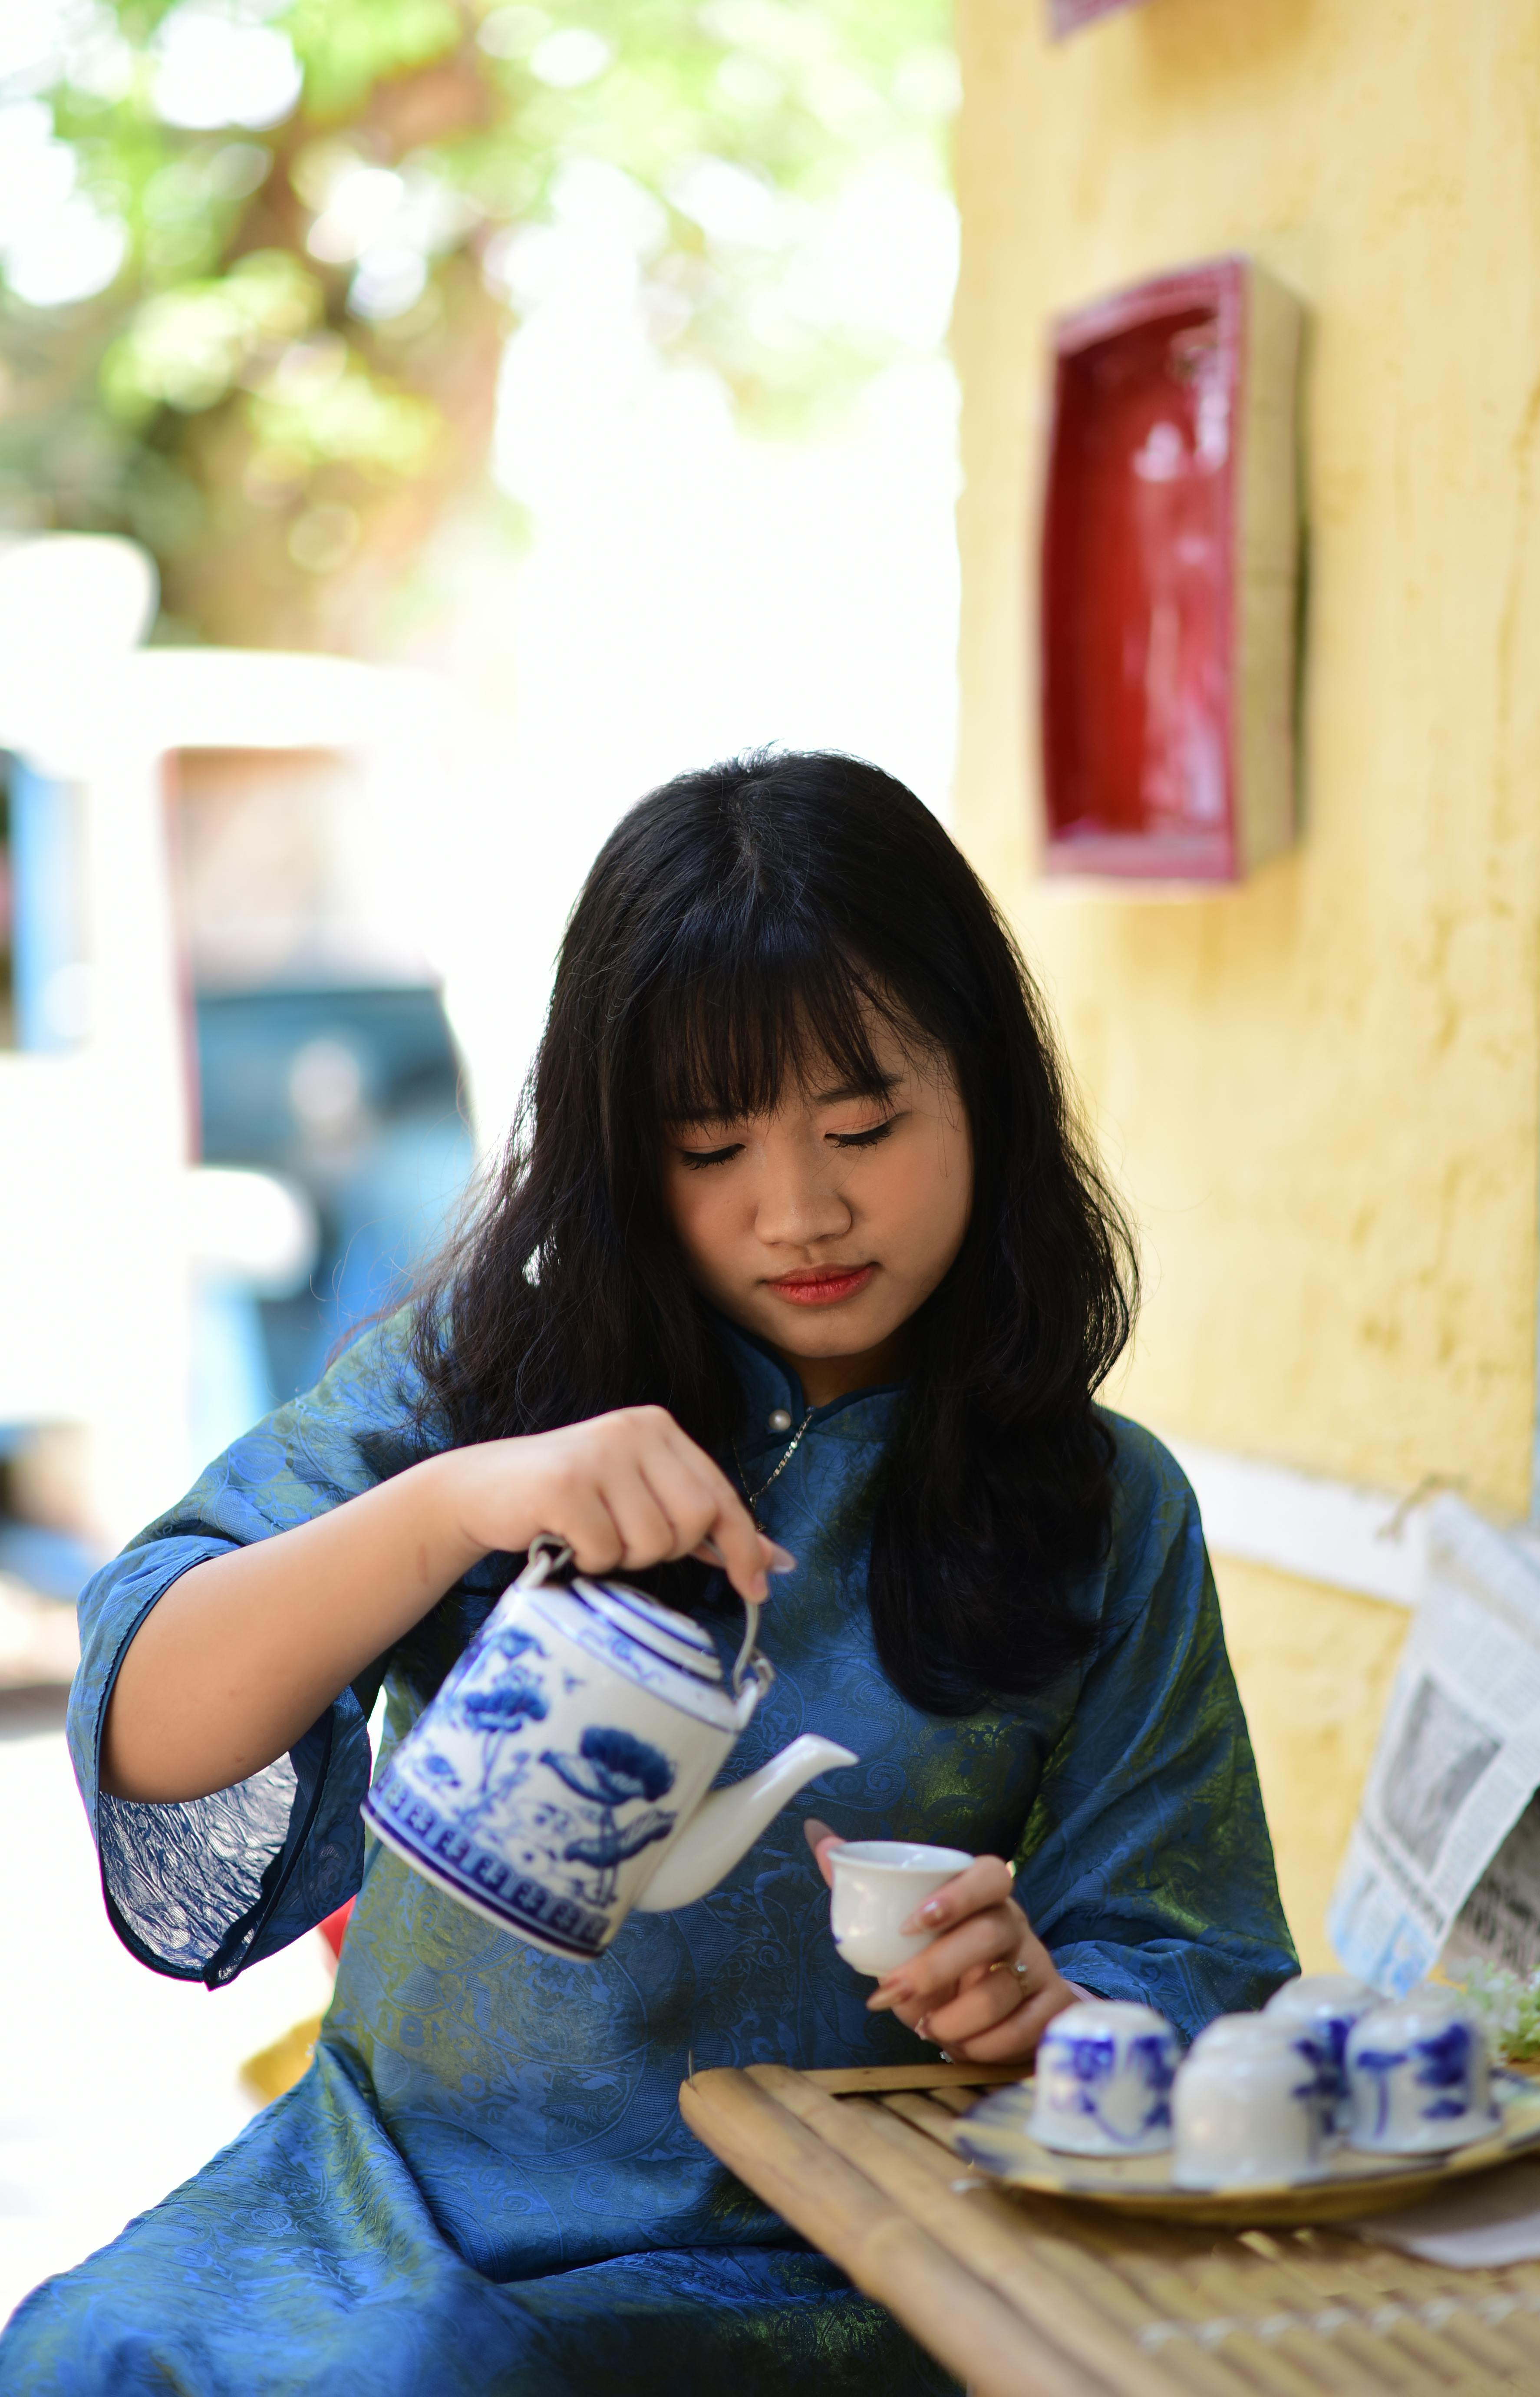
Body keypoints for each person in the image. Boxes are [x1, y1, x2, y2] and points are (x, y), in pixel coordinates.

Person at [2, 751, 1296, 2395]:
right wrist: (452, 1510)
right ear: (622, 1152)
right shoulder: (477, 1386)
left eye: (866, 1123)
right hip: (402, 2215)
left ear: (989, 1093)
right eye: (711, 1146)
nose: (800, 1209)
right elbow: (147, 1726)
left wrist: (1051, 2006)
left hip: (831, 2266)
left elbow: (1190, 1961)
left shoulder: (1102, 1509)